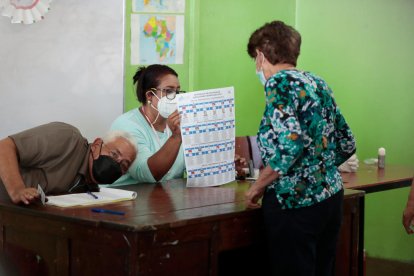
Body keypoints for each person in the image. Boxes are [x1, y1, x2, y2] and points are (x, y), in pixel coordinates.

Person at [244, 21, 356, 276]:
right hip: (330, 196)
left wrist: (257, 187)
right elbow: (347, 141)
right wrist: (319, 168)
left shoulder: (279, 84)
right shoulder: (317, 82)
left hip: (294, 202)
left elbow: (289, 146)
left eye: (255, 59)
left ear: (261, 55)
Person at [110, 64, 246, 185]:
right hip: (129, 201)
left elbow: (198, 167)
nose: (176, 97)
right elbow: (147, 174)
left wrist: (223, 166)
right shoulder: (127, 126)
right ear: (150, 96)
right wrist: (176, 137)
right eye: (169, 91)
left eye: (178, 91)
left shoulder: (180, 121)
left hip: (167, 200)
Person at [0, 122, 137, 205]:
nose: (116, 163)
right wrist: (17, 189)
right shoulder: (67, 137)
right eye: (114, 154)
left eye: (124, 165)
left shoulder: (89, 189)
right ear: (96, 145)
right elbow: (4, 147)